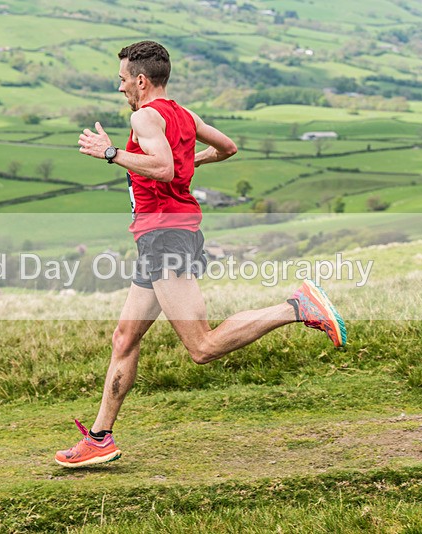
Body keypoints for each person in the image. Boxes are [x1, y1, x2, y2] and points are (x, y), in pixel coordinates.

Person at [56, 41, 346, 468]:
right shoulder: (182, 114)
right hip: (160, 236)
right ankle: (100, 438)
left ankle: (296, 307)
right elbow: (227, 147)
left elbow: (164, 167)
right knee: (124, 337)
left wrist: (112, 153)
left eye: (122, 80)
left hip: (166, 236)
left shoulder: (144, 116)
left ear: (140, 80)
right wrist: (192, 161)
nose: (120, 89)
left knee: (202, 346)